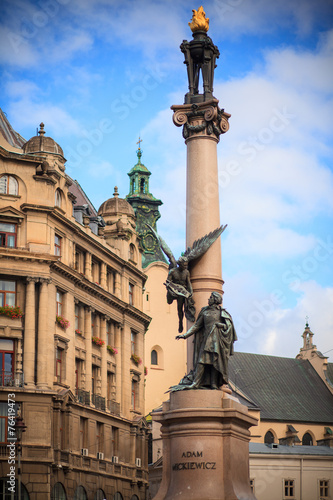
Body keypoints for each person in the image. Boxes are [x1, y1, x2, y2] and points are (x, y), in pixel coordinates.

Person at [174, 291, 237, 390]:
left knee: (215, 362)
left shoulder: (222, 313)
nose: (208, 299)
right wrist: (185, 335)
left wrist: (221, 325)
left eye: (211, 297)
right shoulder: (204, 312)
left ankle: (213, 384)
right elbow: (196, 326)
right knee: (201, 361)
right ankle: (196, 383)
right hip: (206, 340)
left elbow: (229, 328)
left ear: (215, 300)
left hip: (217, 342)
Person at [165, 257, 195, 333]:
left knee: (180, 308)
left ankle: (180, 322)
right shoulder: (172, 271)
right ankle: (169, 297)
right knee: (169, 302)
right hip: (173, 290)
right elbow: (168, 283)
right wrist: (170, 291)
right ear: (180, 264)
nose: (185, 267)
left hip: (182, 291)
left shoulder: (186, 272)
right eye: (184, 265)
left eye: (186, 265)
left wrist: (191, 291)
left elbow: (188, 283)